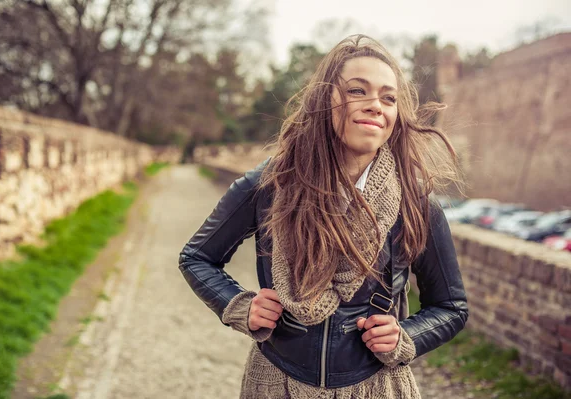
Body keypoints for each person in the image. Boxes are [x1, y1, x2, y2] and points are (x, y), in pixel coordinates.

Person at [179, 34, 468, 398]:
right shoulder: (270, 184)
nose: (376, 105)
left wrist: (407, 335)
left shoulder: (416, 203)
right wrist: (239, 306)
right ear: (324, 99)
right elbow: (197, 257)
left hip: (375, 386)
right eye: (358, 91)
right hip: (276, 382)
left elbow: (451, 307)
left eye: (388, 97)